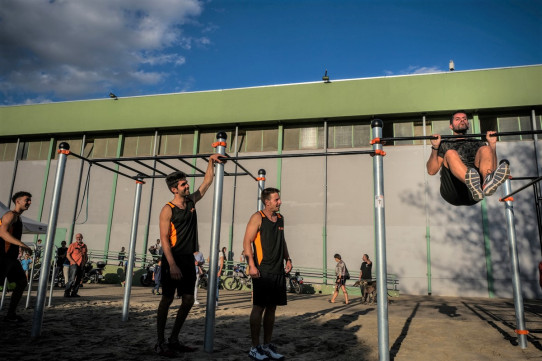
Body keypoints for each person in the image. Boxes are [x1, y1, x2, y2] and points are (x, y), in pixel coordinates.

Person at [154, 153, 224, 357]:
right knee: (166, 300)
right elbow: (165, 240)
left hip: (188, 260)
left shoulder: (191, 202)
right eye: (183, 184)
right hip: (172, 259)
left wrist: (211, 161)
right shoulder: (167, 210)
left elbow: (207, 182)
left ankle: (174, 339)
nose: (187, 186)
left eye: (186, 183)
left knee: (187, 300)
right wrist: (172, 264)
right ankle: (159, 342)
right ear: (174, 189)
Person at [243, 187, 291, 361]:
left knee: (272, 308)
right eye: (276, 199)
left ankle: (267, 346)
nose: (280, 202)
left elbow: (282, 239)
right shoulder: (257, 217)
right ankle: (254, 348)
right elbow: (246, 242)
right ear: (267, 201)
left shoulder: (280, 218)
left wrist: (288, 258)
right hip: (262, 270)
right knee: (259, 307)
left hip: (278, 269)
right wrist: (251, 265)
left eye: (279, 199)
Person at [427, 110, 510, 206]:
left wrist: (492, 145)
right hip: (452, 192)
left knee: (486, 149)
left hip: (474, 194)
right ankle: (471, 182)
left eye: (464, 119)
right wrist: (435, 147)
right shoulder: (444, 144)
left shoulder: (478, 143)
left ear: (468, 124)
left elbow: (493, 169)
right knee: (450, 153)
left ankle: (486, 183)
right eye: (457, 119)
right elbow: (431, 171)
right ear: (451, 126)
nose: (462, 121)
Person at [0, 191, 34, 322]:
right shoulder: (10, 215)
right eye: (27, 200)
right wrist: (22, 244)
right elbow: (2, 233)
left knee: (22, 282)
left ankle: (10, 314)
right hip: (3, 256)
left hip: (12, 259)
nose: (29, 203)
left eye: (30, 200)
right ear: (18, 201)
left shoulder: (18, 218)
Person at [64, 233, 88, 298]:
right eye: (77, 237)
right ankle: (67, 293)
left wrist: (85, 262)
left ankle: (74, 293)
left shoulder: (84, 246)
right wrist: (73, 262)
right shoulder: (72, 245)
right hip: (74, 264)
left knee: (79, 280)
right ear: (75, 238)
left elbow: (85, 255)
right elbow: (68, 255)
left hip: (81, 264)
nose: (78, 238)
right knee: (71, 279)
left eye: (79, 237)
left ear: (82, 237)